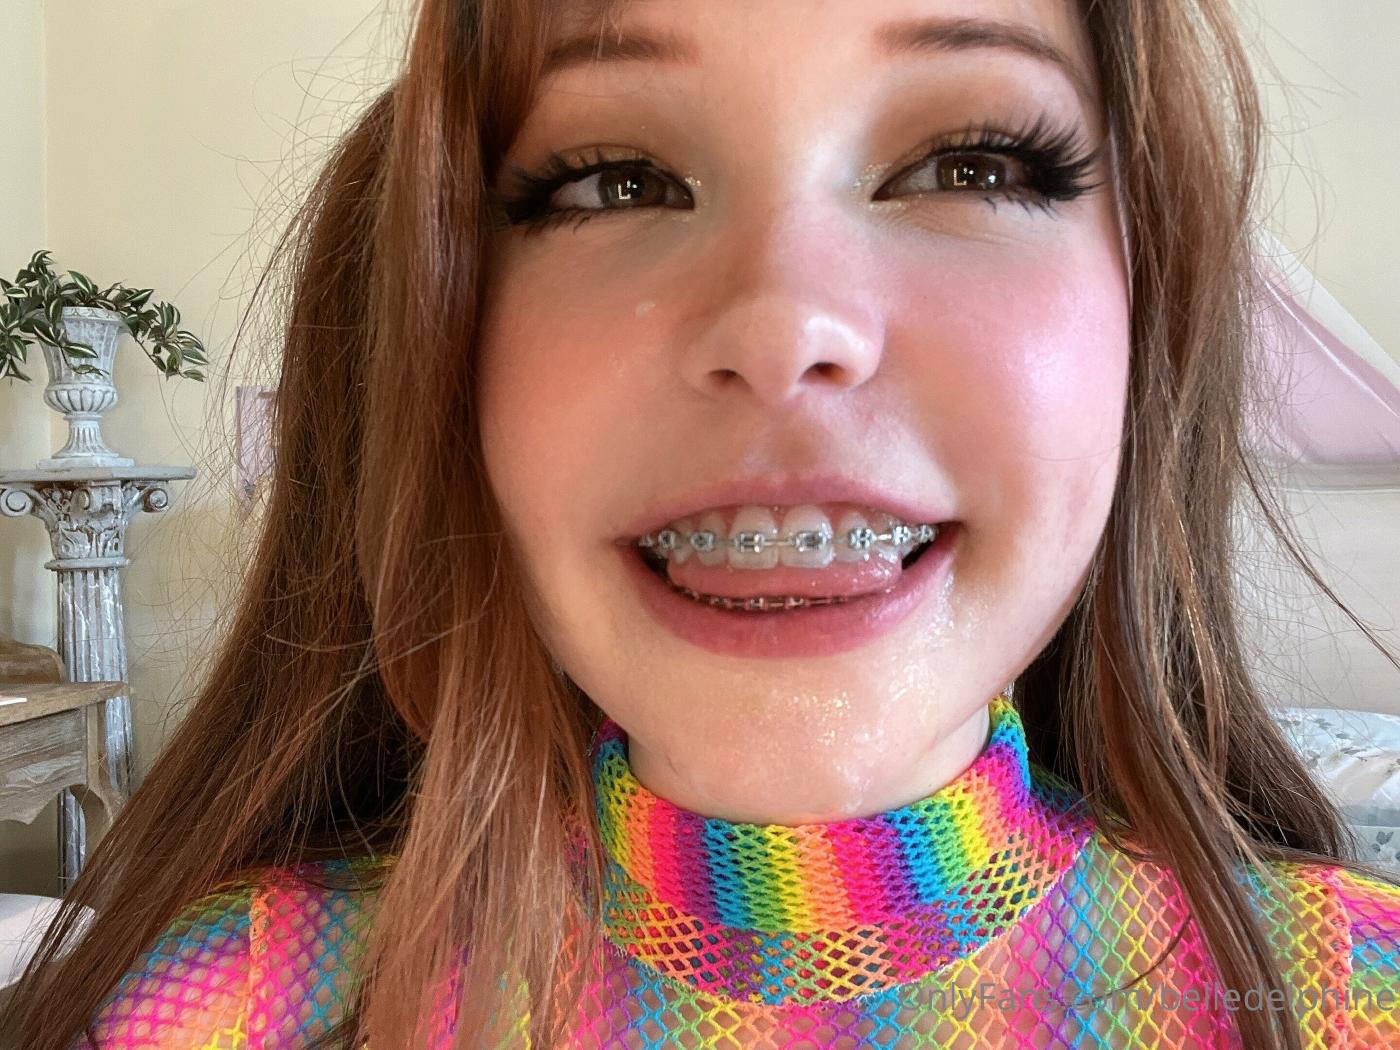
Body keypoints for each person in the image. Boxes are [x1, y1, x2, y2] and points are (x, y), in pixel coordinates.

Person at [4, 0, 1398, 1047]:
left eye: (973, 163)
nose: (784, 326)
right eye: (615, 179)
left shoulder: (1358, 993)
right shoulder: (216, 1006)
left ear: (1150, 316)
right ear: (447, 342)